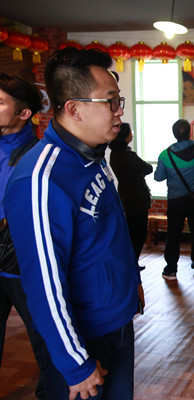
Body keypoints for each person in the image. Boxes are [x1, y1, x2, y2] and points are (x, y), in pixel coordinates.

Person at [4, 47, 143, 400]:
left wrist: (133, 283)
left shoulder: (93, 156)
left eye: (119, 100)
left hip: (117, 320)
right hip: (83, 337)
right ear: (74, 108)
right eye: (110, 101)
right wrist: (75, 363)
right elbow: (43, 282)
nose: (119, 110)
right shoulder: (41, 179)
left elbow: (112, 232)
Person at [0, 73, 47, 399]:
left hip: (25, 264)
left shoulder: (39, 155)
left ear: (24, 113)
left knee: (45, 339)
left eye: (0, 102)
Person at [155, 109, 194, 280]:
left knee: (173, 235)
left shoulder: (165, 155)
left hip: (175, 202)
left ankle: (171, 270)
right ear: (190, 133)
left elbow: (158, 177)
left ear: (174, 134)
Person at [109, 123, 153, 270]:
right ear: (125, 136)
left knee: (130, 232)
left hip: (125, 196)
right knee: (139, 233)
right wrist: (140, 173)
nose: (131, 134)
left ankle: (129, 263)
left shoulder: (114, 154)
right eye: (130, 132)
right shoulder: (128, 155)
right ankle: (132, 264)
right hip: (137, 198)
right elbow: (148, 168)